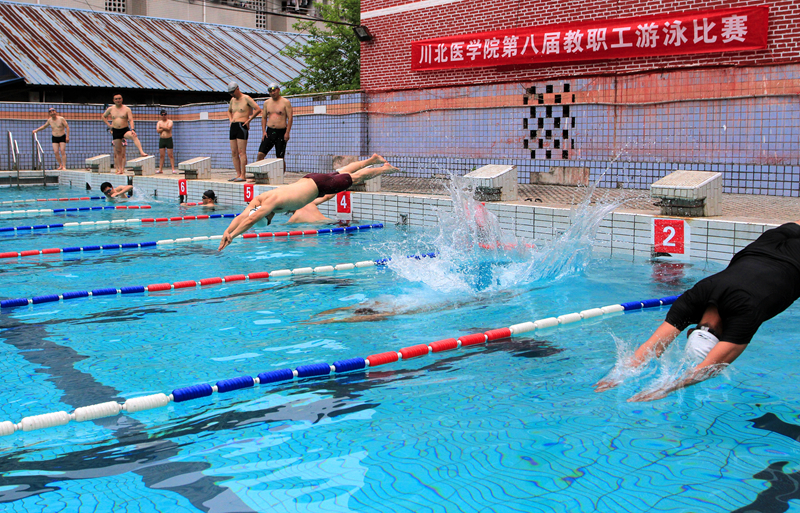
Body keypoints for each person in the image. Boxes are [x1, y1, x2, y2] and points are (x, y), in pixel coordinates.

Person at [595, 221, 800, 402]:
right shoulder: (693, 297)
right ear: (691, 331)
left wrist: (666, 388)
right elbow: (652, 348)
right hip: (764, 246)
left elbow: (708, 368)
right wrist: (618, 374)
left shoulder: (744, 317)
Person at [218, 154, 399, 251]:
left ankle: (383, 168)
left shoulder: (268, 205)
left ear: (268, 216)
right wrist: (227, 230)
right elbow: (244, 216)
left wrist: (233, 237)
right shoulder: (258, 201)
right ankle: (372, 159)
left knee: (355, 179)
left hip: (318, 185)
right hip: (310, 180)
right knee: (342, 172)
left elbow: (249, 221)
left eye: (270, 219)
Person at [102, 94, 147, 174]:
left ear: (122, 99)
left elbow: (131, 119)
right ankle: (120, 169)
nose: (118, 100)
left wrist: (132, 129)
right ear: (113, 100)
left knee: (134, 136)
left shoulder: (127, 109)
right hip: (116, 131)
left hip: (125, 129)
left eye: (119, 98)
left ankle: (141, 151)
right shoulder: (110, 109)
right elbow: (103, 116)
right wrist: (109, 125)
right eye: (116, 99)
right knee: (118, 151)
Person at [227, 81, 262, 183]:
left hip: (242, 126)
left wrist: (248, 120)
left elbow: (258, 109)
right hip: (233, 126)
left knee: (241, 152)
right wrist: (230, 120)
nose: (232, 94)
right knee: (234, 152)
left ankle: (243, 175)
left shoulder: (246, 98)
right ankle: (238, 174)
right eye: (230, 93)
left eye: (233, 92)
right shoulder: (232, 100)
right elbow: (229, 111)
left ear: (238, 89)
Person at [257, 83, 293, 174]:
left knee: (280, 157)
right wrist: (264, 132)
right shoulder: (267, 103)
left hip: (281, 132)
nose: (273, 93)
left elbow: (290, 118)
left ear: (278, 90)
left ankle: (281, 175)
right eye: (270, 91)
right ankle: (258, 174)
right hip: (269, 131)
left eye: (274, 90)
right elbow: (264, 117)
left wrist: (287, 132)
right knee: (260, 154)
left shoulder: (285, 102)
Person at [156, 110, 176, 174]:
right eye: (162, 115)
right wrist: (165, 128)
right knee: (162, 155)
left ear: (166, 115)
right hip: (162, 139)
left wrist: (162, 127)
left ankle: (173, 169)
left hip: (168, 139)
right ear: (160, 115)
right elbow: (158, 131)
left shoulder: (170, 121)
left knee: (170, 155)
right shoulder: (159, 122)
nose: (164, 116)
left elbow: (169, 128)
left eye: (165, 114)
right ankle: (160, 169)